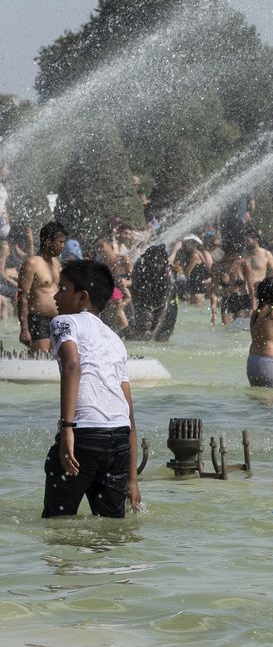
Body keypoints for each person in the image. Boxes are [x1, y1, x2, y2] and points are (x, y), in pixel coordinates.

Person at [42, 260, 140, 519]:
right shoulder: (115, 340)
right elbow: (128, 412)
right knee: (110, 532)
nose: (56, 295)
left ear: (82, 297)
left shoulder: (65, 322)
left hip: (83, 435)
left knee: (57, 524)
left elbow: (72, 364)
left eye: (63, 288)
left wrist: (67, 428)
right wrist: (132, 479)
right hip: (118, 441)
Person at [18, 221, 66, 353]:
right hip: (39, 320)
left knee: (57, 363)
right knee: (40, 361)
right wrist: (24, 328)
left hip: (58, 320)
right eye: (60, 242)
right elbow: (22, 298)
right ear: (47, 242)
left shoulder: (56, 263)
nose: (63, 246)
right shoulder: (32, 263)